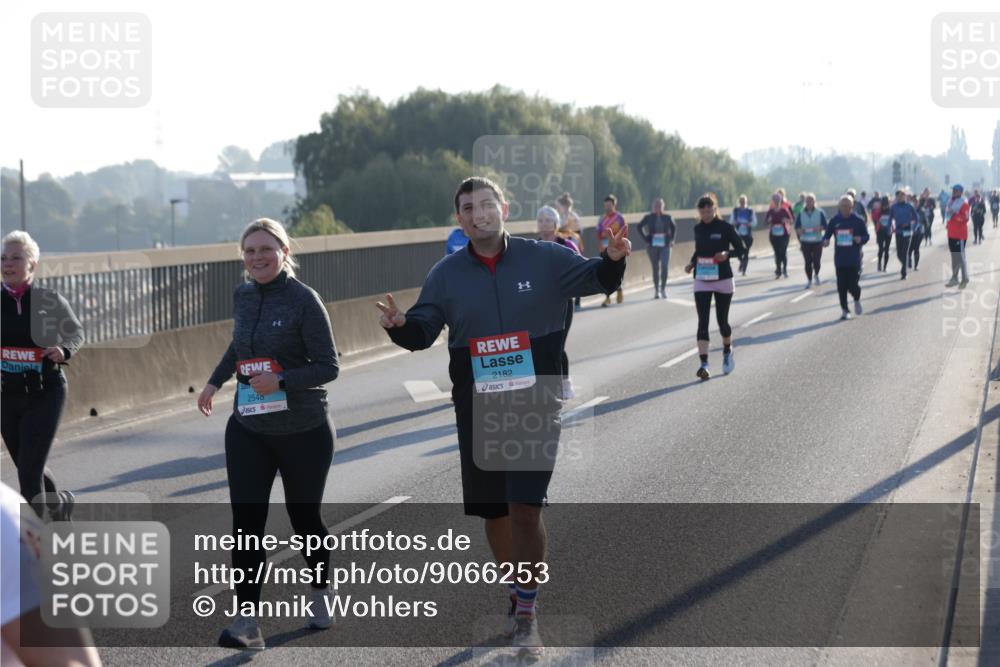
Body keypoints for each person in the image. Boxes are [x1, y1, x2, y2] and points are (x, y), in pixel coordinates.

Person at [375, 176, 629, 656]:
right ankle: (516, 592)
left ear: (505, 209)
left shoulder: (546, 258)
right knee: (494, 513)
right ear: (459, 219)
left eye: (486, 205)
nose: (478, 214)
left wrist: (613, 260)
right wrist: (401, 325)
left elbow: (597, 277)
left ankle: (528, 612)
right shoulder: (446, 274)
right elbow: (423, 330)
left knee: (525, 508)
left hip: (536, 401)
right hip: (479, 404)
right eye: (468, 208)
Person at [198, 218, 340, 650]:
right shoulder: (243, 295)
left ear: (284, 252)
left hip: (304, 429)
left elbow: (328, 366)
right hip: (249, 427)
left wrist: (280, 382)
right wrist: (214, 382)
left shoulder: (304, 300)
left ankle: (320, 592)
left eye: (265, 249)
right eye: (249, 251)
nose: (257, 258)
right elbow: (238, 346)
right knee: (246, 524)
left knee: (305, 520)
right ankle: (246, 623)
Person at [1, 231, 83, 522]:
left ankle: (37, 547)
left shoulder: (49, 299)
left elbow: (75, 333)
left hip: (45, 392)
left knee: (28, 475)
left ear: (32, 264)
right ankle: (59, 505)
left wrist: (63, 349)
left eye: (16, 257)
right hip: (6, 397)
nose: (7, 263)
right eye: (3, 257)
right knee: (28, 465)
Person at [1, 481, 103, 666]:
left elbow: (69, 662)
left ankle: (51, 515)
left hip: (20, 534)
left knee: (30, 477)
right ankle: (55, 507)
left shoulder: (3, 521)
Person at [684, 193, 745, 380]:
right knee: (703, 321)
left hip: (723, 278)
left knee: (722, 322)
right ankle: (704, 364)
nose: (706, 214)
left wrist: (727, 254)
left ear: (715, 209)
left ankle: (727, 351)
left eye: (709, 210)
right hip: (702, 277)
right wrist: (692, 262)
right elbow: (700, 249)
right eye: (702, 211)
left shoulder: (725, 227)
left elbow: (741, 249)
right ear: (699, 212)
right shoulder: (698, 229)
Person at [536, 206, 580, 398]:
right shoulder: (532, 248)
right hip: (540, 306)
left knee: (558, 344)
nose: (544, 223)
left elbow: (580, 268)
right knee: (542, 347)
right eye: (541, 220)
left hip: (563, 303)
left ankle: (565, 382)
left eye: (548, 220)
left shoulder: (567, 245)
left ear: (556, 223)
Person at [822, 195, 870, 320]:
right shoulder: (834, 220)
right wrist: (825, 240)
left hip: (854, 258)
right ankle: (845, 310)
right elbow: (826, 235)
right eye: (843, 206)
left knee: (853, 285)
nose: (845, 208)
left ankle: (856, 299)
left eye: (848, 206)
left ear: (852, 206)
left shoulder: (858, 220)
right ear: (839, 207)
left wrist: (861, 239)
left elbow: (866, 236)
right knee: (841, 286)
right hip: (840, 259)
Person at [636, 198, 676, 299]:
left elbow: (674, 228)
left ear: (663, 206)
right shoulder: (648, 217)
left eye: (659, 205)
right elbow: (639, 227)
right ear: (653, 207)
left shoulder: (668, 217)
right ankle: (656, 290)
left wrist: (672, 240)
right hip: (652, 245)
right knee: (655, 267)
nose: (657, 207)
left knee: (664, 266)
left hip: (665, 245)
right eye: (655, 206)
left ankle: (663, 289)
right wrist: (645, 239)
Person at [596, 194, 627, 306]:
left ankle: (619, 289)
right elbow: (598, 234)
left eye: (609, 205)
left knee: (616, 273)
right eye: (605, 205)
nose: (607, 208)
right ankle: (607, 297)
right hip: (604, 249)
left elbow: (625, 233)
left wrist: (615, 237)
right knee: (606, 274)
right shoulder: (601, 218)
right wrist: (603, 235)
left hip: (617, 250)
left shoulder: (619, 218)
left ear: (614, 205)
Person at [556, 193, 584, 312]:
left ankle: (577, 300)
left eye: (558, 206)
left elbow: (578, 233)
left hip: (572, 246)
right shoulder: (559, 217)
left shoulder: (572, 217)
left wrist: (564, 234)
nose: (557, 208)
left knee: (576, 274)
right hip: (561, 247)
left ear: (564, 206)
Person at [794, 192, 828, 287]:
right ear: (805, 202)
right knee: (807, 261)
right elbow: (796, 227)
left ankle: (816, 275)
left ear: (814, 201)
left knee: (817, 260)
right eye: (807, 201)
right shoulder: (801, 213)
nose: (809, 203)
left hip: (817, 240)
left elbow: (826, 226)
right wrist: (800, 231)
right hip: (805, 241)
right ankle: (809, 280)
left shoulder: (820, 212)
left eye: (811, 201)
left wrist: (820, 228)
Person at [944, 184, 971, 289]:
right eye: (953, 190)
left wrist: (954, 215)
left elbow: (966, 218)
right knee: (954, 257)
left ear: (960, 192)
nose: (954, 192)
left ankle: (964, 278)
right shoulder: (950, 201)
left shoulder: (964, 204)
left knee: (960, 257)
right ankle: (955, 278)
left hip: (960, 234)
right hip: (951, 233)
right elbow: (948, 215)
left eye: (956, 190)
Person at [889, 189, 919, 280]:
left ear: (905, 197)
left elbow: (916, 219)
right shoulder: (894, 207)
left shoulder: (909, 206)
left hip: (907, 231)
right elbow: (890, 219)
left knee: (905, 252)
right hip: (898, 231)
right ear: (897, 197)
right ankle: (906, 265)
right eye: (899, 196)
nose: (900, 197)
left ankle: (904, 273)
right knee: (899, 254)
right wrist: (890, 227)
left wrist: (914, 228)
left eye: (902, 196)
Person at [765, 192, 793, 278]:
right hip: (774, 234)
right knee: (777, 253)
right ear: (773, 201)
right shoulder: (770, 211)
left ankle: (784, 270)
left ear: (780, 201)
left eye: (778, 200)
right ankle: (778, 270)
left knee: (783, 252)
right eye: (775, 200)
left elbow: (791, 220)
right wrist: (768, 221)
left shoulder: (784, 210)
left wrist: (786, 220)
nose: (776, 202)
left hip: (784, 234)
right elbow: (765, 222)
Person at [728, 195, 757, 276]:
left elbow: (755, 222)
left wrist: (749, 224)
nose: (742, 203)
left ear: (746, 202)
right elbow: (731, 221)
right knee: (738, 252)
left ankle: (744, 270)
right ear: (739, 202)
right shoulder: (735, 210)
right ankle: (741, 262)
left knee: (746, 252)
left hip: (748, 235)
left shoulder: (750, 211)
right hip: (738, 234)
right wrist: (735, 223)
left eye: (744, 202)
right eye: (741, 202)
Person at [873, 195, 893, 272]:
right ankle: (879, 264)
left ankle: (885, 266)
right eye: (883, 204)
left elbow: (895, 218)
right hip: (880, 232)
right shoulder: (878, 210)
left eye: (886, 204)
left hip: (888, 232)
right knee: (881, 249)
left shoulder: (891, 210)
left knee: (887, 249)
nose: (885, 206)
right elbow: (874, 217)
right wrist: (877, 209)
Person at [910, 194, 926, 271]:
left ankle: (915, 266)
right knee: (909, 249)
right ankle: (909, 264)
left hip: (919, 232)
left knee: (916, 248)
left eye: (916, 201)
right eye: (913, 201)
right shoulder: (908, 210)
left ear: (918, 202)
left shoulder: (921, 210)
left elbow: (926, 222)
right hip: (909, 232)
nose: (915, 203)